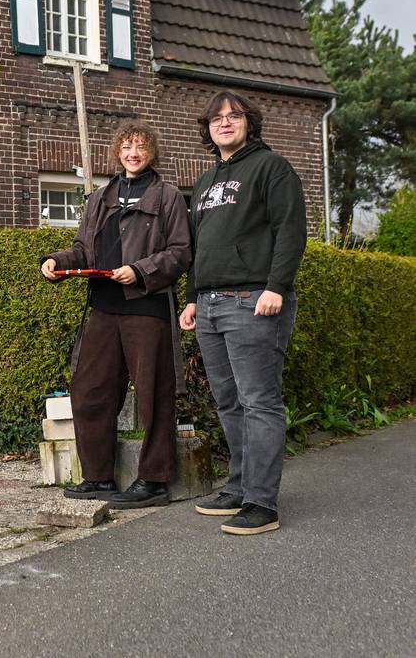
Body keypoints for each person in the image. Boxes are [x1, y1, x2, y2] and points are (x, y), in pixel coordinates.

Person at [42, 120, 191, 509]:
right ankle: (99, 477)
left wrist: (140, 270)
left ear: (152, 151)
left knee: (153, 395)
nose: (133, 153)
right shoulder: (99, 198)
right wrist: (58, 261)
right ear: (117, 152)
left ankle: (155, 481)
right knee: (89, 391)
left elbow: (180, 252)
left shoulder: (169, 196)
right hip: (104, 307)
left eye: (140, 146)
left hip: (146, 306)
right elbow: (83, 250)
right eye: (126, 146)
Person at [179, 90, 306, 536]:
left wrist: (276, 286)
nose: (226, 122)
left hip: (253, 301)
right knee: (229, 401)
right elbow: (199, 247)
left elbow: (290, 229)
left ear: (249, 123)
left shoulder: (271, 167)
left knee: (260, 402)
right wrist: (193, 297)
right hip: (211, 306)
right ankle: (238, 486)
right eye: (217, 118)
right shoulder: (206, 181)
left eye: (234, 116)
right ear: (208, 129)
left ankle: (261, 503)